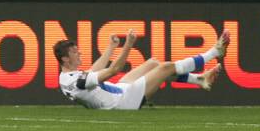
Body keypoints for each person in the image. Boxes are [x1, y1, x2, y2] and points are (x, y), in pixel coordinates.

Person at [55, 29, 229, 110]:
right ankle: (214, 52)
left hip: (118, 91)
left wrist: (111, 46)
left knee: (153, 63)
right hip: (123, 102)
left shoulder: (66, 78)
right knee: (165, 68)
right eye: (74, 52)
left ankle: (199, 79)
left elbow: (94, 71)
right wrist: (128, 45)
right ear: (64, 58)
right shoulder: (75, 80)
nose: (79, 54)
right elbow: (114, 70)